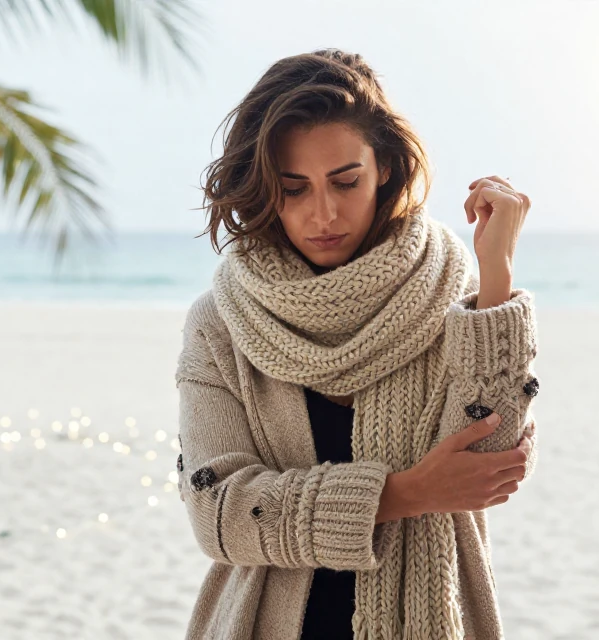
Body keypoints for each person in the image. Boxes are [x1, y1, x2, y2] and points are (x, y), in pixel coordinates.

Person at [174, 49, 540, 640]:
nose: (324, 213)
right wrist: (403, 494)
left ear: (386, 169)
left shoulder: (457, 299)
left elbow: (489, 462)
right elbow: (219, 516)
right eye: (294, 190)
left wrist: (495, 271)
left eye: (346, 181)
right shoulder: (221, 323)